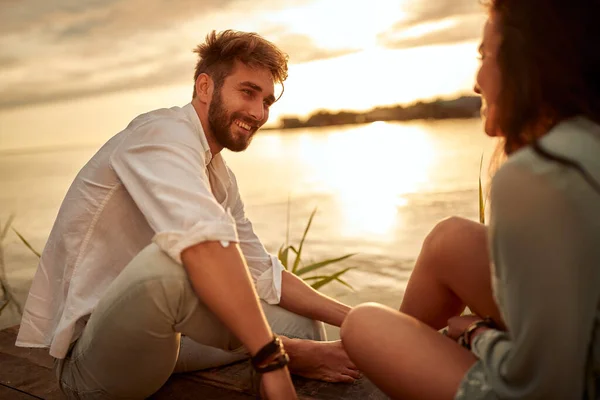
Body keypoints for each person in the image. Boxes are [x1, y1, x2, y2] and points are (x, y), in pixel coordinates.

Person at [15, 30, 359, 399]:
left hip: (168, 342)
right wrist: (273, 354)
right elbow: (202, 242)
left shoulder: (218, 175)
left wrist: (355, 320)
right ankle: (280, 357)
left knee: (301, 320)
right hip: (94, 364)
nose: (259, 113)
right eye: (247, 92)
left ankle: (284, 363)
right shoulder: (159, 135)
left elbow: (262, 273)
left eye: (267, 101)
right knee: (172, 264)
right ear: (205, 87)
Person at [340, 0, 600, 398]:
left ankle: (394, 368)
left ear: (528, 62)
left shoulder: (538, 171)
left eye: (484, 55)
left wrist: (479, 335)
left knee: (362, 325)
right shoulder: (585, 140)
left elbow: (553, 386)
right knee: (451, 240)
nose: (476, 82)